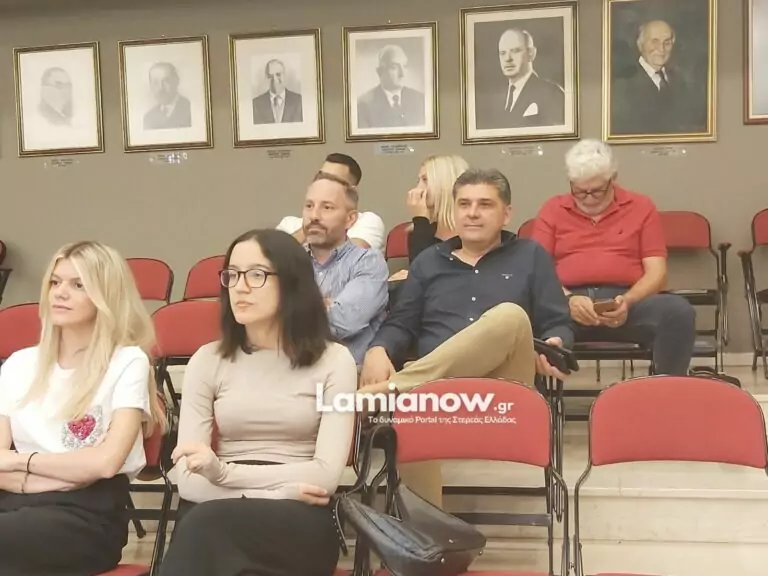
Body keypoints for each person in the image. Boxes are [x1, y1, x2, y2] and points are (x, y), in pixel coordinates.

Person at [359, 167, 574, 507]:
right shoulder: (429, 262)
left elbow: (559, 323)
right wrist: (379, 349)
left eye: (485, 204)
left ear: (506, 213)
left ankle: (395, 388)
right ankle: (426, 531)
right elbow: (401, 323)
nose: (472, 213)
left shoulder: (530, 256)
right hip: (440, 397)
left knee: (510, 316)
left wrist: (556, 344)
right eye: (464, 204)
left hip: (505, 391)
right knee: (413, 410)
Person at [158, 229, 357, 576]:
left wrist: (224, 474)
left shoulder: (335, 361)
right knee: (203, 523)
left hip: (297, 518)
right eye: (232, 275)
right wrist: (278, 491)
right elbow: (188, 479)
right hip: (233, 501)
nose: (239, 287)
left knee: (203, 525)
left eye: (256, 274)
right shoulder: (207, 360)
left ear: (292, 283)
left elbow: (325, 475)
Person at [0, 240, 166, 576]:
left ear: (106, 295)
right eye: (55, 282)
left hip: (88, 516)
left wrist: (21, 462)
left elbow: (105, 465)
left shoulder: (127, 361)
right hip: (13, 503)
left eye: (78, 285)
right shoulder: (19, 364)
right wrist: (68, 472)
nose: (60, 293)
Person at [530, 139, 695, 375]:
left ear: (612, 179)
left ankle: (667, 390)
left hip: (626, 300)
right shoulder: (552, 209)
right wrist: (568, 300)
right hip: (566, 301)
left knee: (678, 312)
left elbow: (657, 273)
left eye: (597, 191)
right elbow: (537, 270)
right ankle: (535, 391)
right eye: (579, 191)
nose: (588, 198)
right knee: (522, 314)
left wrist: (627, 301)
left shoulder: (641, 206)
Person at [302, 172, 389, 366]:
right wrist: (321, 305)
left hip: (348, 375)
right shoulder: (287, 262)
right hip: (291, 372)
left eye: (327, 207)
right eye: (309, 206)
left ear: (350, 219)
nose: (314, 216)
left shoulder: (367, 262)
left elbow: (345, 322)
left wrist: (289, 309)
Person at [277, 153, 386, 251]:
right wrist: (311, 226)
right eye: (320, 176)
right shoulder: (288, 224)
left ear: (351, 190)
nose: (322, 182)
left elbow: (350, 259)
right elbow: (273, 258)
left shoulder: (367, 221)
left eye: (333, 179)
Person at [611, 20, 702, 135]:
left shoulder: (680, 80)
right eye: (654, 42)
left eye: (667, 43)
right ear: (640, 44)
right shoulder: (623, 83)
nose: (661, 49)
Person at [388, 154, 469, 283]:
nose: (417, 188)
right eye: (418, 181)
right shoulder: (420, 229)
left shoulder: (471, 228)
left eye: (425, 180)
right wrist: (420, 220)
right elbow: (421, 275)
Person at [476, 28, 565, 130]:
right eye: (503, 53)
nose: (508, 58)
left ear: (531, 54)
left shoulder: (552, 93)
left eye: (515, 51)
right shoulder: (495, 99)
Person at [357, 44, 426, 129]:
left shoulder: (420, 99)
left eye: (405, 66)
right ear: (380, 72)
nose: (402, 74)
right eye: (394, 67)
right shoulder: (364, 105)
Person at [143, 62, 192, 130]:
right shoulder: (148, 118)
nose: (161, 88)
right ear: (151, 86)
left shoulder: (190, 109)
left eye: (166, 81)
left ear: (176, 81)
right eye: (155, 82)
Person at [252, 59, 303, 124]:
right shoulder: (256, 104)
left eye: (278, 74)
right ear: (266, 78)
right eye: (270, 76)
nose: (274, 80)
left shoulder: (299, 101)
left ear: (285, 76)